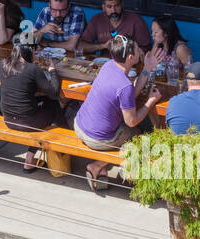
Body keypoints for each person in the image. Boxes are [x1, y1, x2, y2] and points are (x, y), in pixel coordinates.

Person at [69, 35, 161, 191]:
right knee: (139, 137)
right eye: (138, 49)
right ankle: (98, 166)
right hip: (96, 138)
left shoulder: (108, 66)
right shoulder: (125, 86)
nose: (141, 51)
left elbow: (129, 96)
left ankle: (103, 167)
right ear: (131, 57)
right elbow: (131, 121)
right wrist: (150, 101)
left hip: (79, 125)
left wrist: (147, 68)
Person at [0, 43, 63, 171]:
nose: (34, 55)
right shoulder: (32, 69)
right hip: (28, 122)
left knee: (43, 101)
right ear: (28, 53)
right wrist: (53, 71)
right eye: (33, 52)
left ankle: (57, 146)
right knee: (53, 104)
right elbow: (54, 93)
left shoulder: (2, 64)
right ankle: (32, 157)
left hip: (8, 120)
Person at [77, 0, 152, 55]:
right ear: (103, 8)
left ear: (122, 5)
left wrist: (128, 50)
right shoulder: (97, 20)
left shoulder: (136, 21)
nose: (113, 10)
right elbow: (80, 46)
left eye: (116, 6)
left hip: (128, 65)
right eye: (109, 7)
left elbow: (147, 48)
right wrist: (103, 46)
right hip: (103, 64)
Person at [142, 16, 192, 81]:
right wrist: (156, 43)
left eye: (156, 32)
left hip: (175, 84)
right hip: (161, 82)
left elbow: (191, 72)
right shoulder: (159, 44)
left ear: (166, 33)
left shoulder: (180, 48)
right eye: (152, 31)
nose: (152, 35)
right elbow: (150, 64)